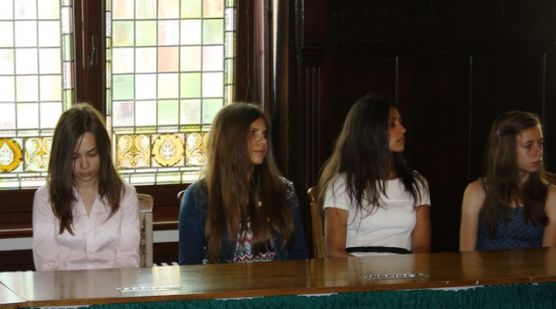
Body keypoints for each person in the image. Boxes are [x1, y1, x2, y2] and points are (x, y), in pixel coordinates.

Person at [178, 102, 308, 264]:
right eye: (253, 133)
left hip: (279, 280)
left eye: (264, 134)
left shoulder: (283, 190)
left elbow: (299, 257)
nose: (263, 141)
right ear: (229, 140)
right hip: (222, 281)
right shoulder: (197, 196)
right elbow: (190, 266)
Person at [318, 94, 431, 257]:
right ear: (370, 131)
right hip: (355, 269)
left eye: (400, 122)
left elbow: (422, 248)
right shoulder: (342, 184)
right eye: (392, 124)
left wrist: (403, 271)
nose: (403, 129)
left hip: (403, 270)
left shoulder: (416, 183)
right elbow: (335, 252)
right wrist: (369, 271)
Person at [32, 103, 139, 270]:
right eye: (74, 157)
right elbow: (47, 265)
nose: (84, 165)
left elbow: (127, 262)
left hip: (114, 286)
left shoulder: (125, 195)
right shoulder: (45, 198)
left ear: (104, 152)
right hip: (62, 286)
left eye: (92, 154)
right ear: (62, 157)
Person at [459, 111, 556, 251]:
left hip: (533, 266)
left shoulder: (551, 196)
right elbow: (466, 256)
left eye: (540, 143)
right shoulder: (476, 192)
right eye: (528, 145)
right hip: (484, 266)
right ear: (507, 149)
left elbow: (548, 257)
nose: (539, 151)